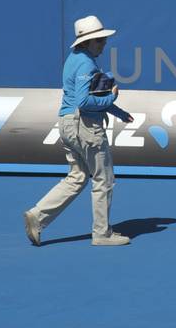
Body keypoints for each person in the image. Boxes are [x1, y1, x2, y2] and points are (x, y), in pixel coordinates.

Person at [24, 15, 130, 249]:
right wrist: (113, 97)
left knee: (78, 176)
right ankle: (102, 233)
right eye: (99, 40)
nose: (103, 44)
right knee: (104, 179)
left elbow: (90, 97)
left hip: (67, 123)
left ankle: (38, 215)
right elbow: (84, 101)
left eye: (103, 39)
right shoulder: (86, 64)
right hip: (84, 126)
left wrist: (119, 112)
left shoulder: (75, 59)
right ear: (87, 42)